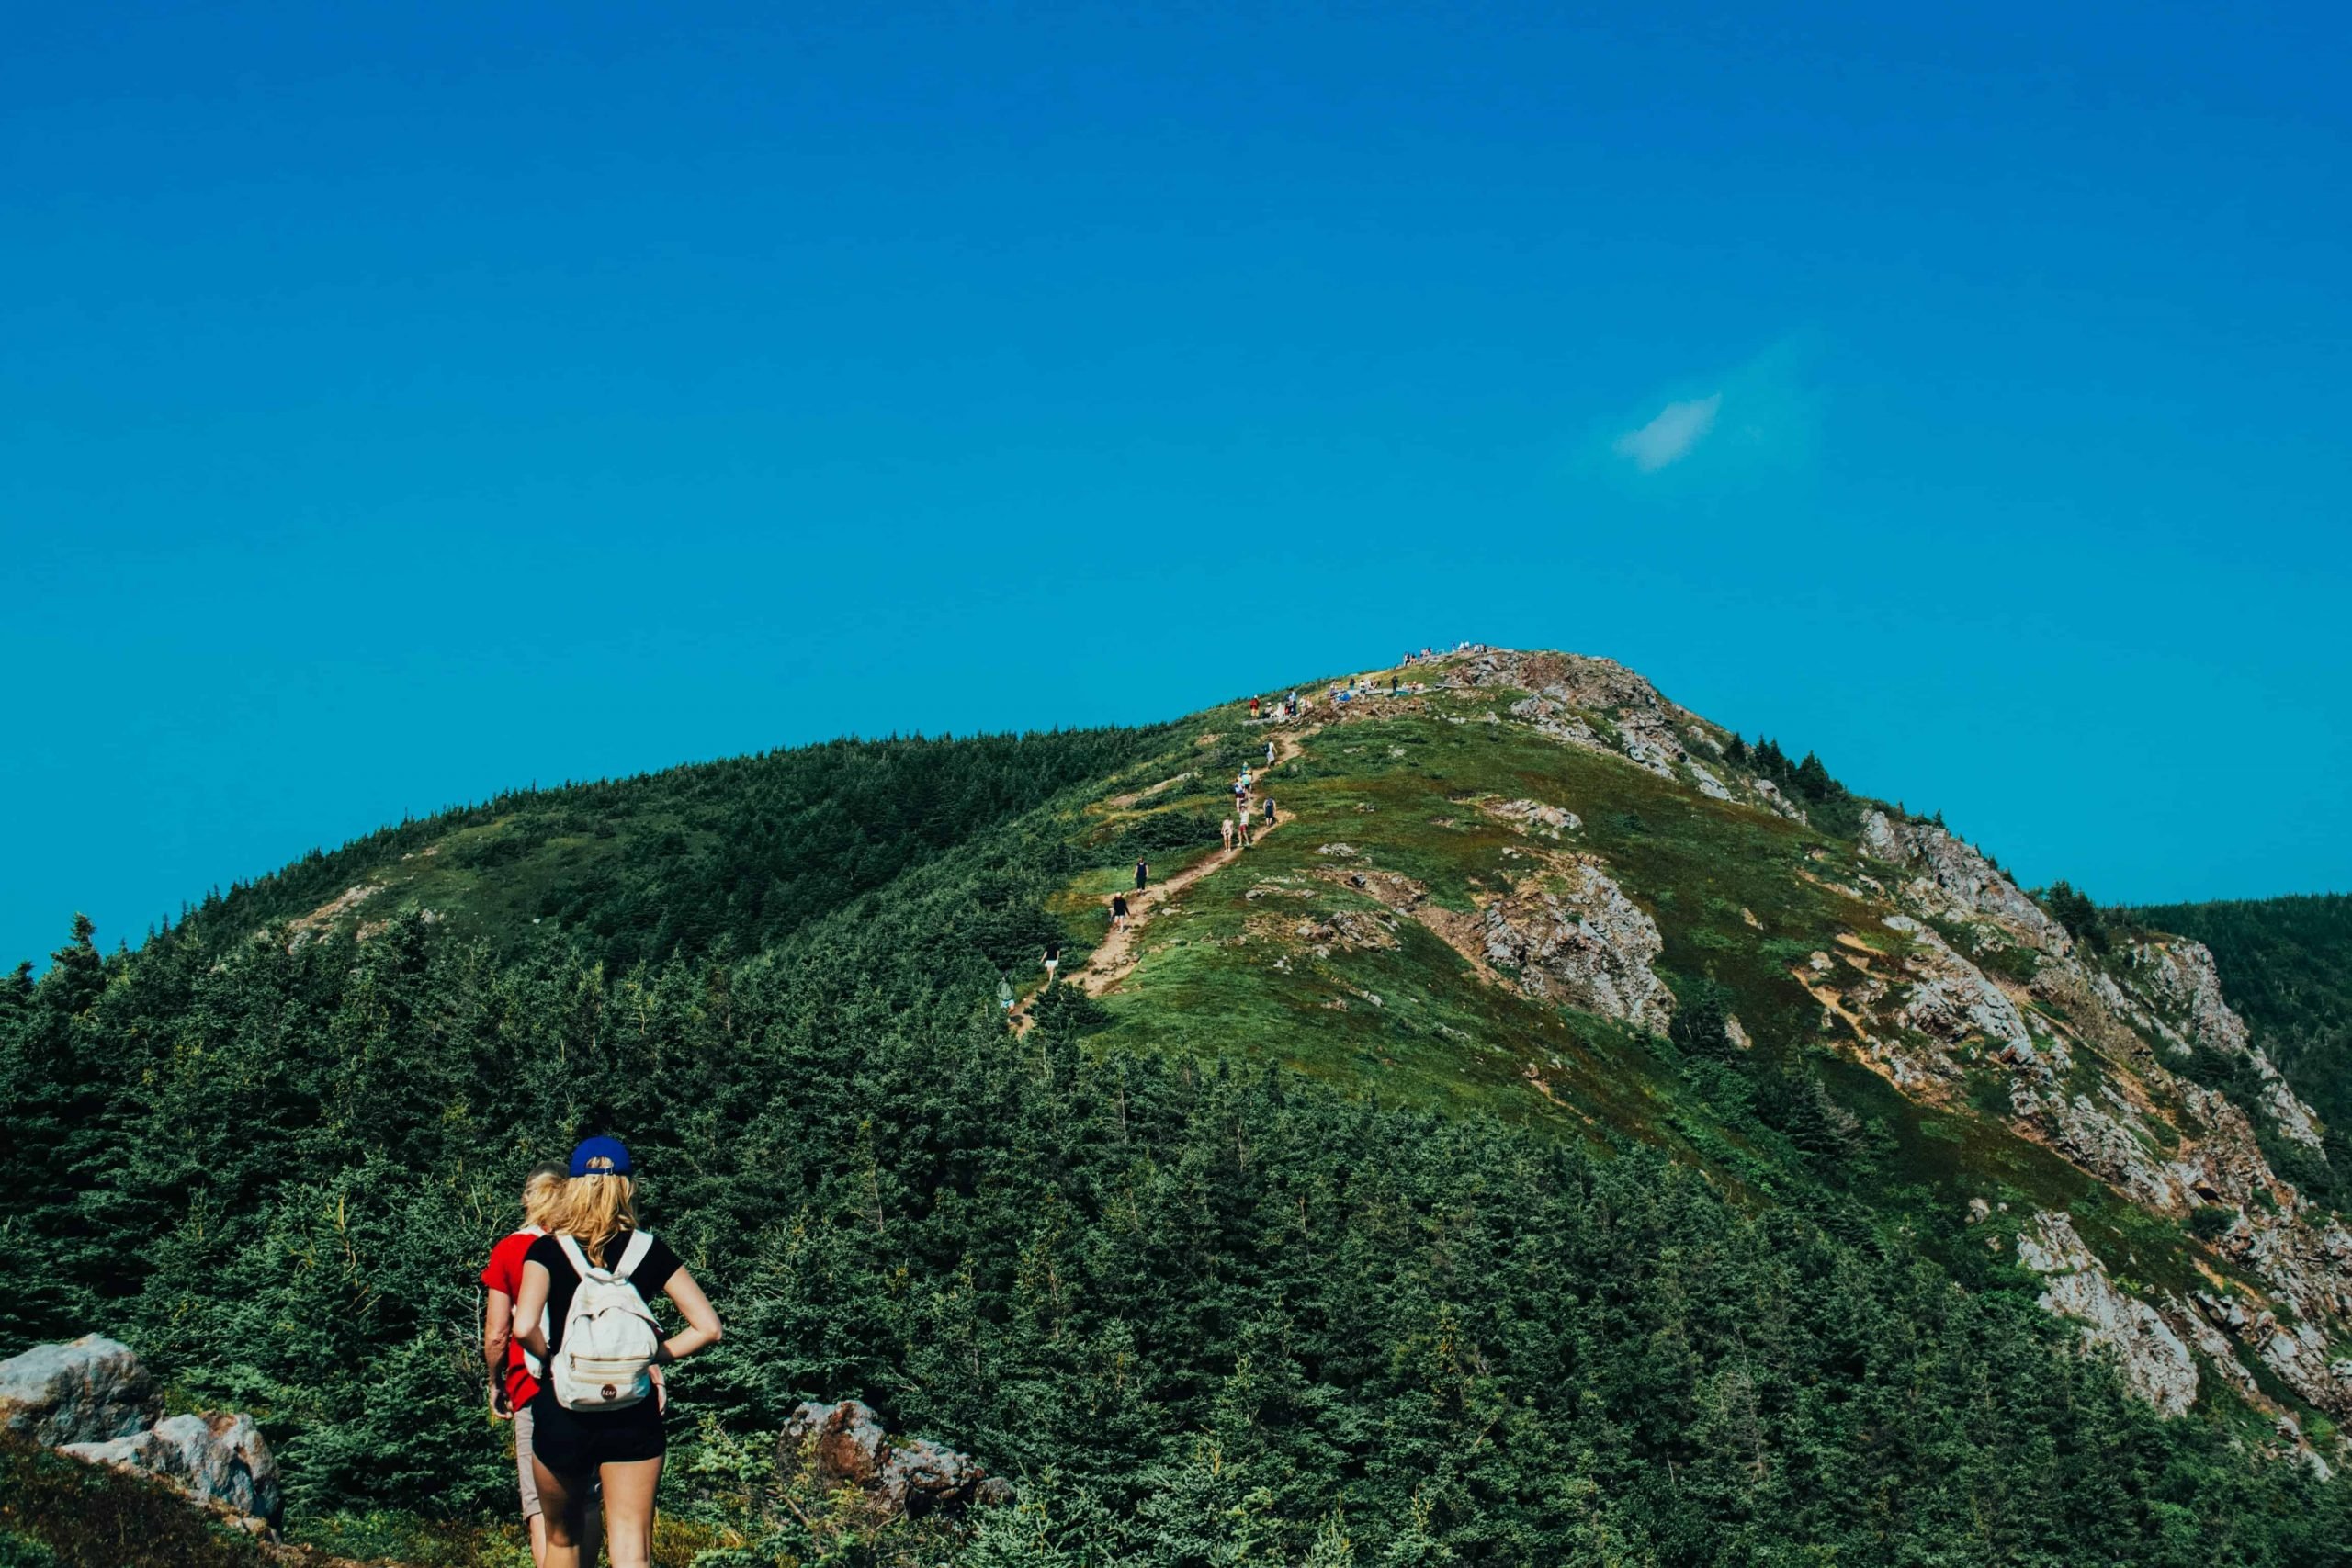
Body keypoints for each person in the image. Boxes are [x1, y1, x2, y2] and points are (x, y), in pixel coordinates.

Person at [514, 1138, 721, 1568]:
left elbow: (522, 1327)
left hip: (563, 1407)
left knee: (563, 1541)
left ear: (573, 1186)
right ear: (626, 1186)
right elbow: (708, 1328)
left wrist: (552, 1357)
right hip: (632, 1408)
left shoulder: (546, 1250)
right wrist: (651, 1356)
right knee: (632, 1549)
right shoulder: (650, 1249)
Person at [482, 1163, 598, 1568]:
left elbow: (499, 1332)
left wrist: (495, 1382)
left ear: (529, 1198)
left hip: (533, 1386)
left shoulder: (511, 1249)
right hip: (589, 1384)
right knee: (586, 1498)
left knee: (542, 1507)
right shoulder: (585, 1245)